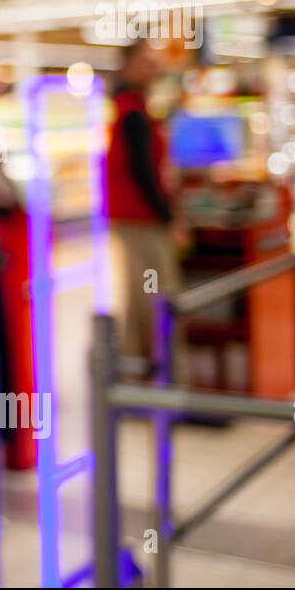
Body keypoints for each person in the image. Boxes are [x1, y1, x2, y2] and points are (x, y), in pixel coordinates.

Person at [106, 38, 186, 378]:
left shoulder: (134, 108)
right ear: (128, 65)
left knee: (144, 298)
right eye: (146, 62)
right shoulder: (132, 113)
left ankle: (139, 376)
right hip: (142, 222)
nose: (153, 69)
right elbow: (143, 173)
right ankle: (159, 379)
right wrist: (169, 220)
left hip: (138, 220)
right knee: (157, 298)